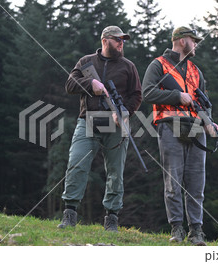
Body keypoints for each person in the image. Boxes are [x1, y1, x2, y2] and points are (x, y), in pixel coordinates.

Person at [57, 26, 142, 232]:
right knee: (76, 164)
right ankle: (69, 214)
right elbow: (70, 84)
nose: (122, 43)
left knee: (115, 172)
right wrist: (91, 83)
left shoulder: (128, 66)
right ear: (105, 41)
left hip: (116, 124)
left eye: (123, 40)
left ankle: (111, 218)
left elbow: (137, 96)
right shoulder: (85, 62)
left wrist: (124, 112)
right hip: (87, 121)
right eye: (117, 40)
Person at [142, 26, 217, 245]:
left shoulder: (196, 70)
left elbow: (204, 103)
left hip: (195, 127)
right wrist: (177, 96)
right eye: (194, 41)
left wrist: (209, 122)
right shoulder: (158, 65)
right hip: (169, 123)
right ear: (183, 41)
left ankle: (196, 231)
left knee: (196, 182)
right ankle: (177, 228)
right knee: (173, 180)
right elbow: (148, 93)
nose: (196, 45)